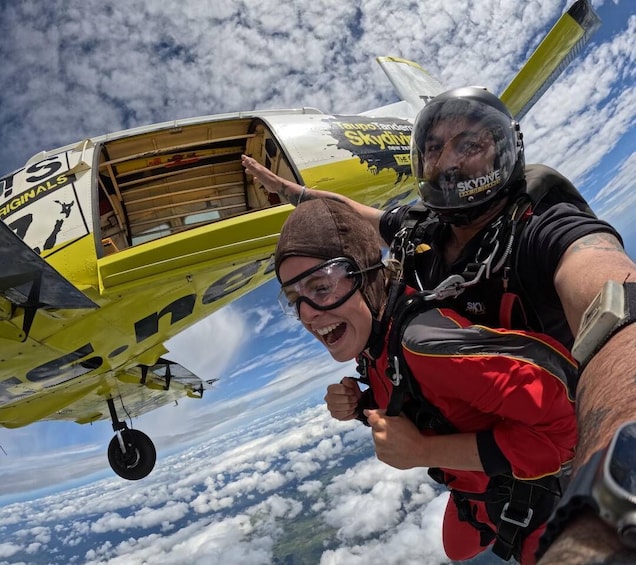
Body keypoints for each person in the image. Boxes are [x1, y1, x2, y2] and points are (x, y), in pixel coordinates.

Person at [243, 87, 636, 563]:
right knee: (457, 546)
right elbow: (351, 216)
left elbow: (618, 306)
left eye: (469, 145)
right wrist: (290, 193)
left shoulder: (545, 230)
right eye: (434, 148)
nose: (448, 162)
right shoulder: (422, 229)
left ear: (505, 147)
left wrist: (614, 494)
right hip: (480, 428)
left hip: (546, 453)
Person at [274, 197, 579, 563]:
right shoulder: (375, 336)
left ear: (366, 273)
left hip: (535, 495)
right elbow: (418, 394)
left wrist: (423, 453)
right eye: (294, 298)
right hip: (474, 491)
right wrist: (362, 406)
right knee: (456, 549)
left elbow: (569, 427)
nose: (307, 314)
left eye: (321, 287)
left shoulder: (424, 346)